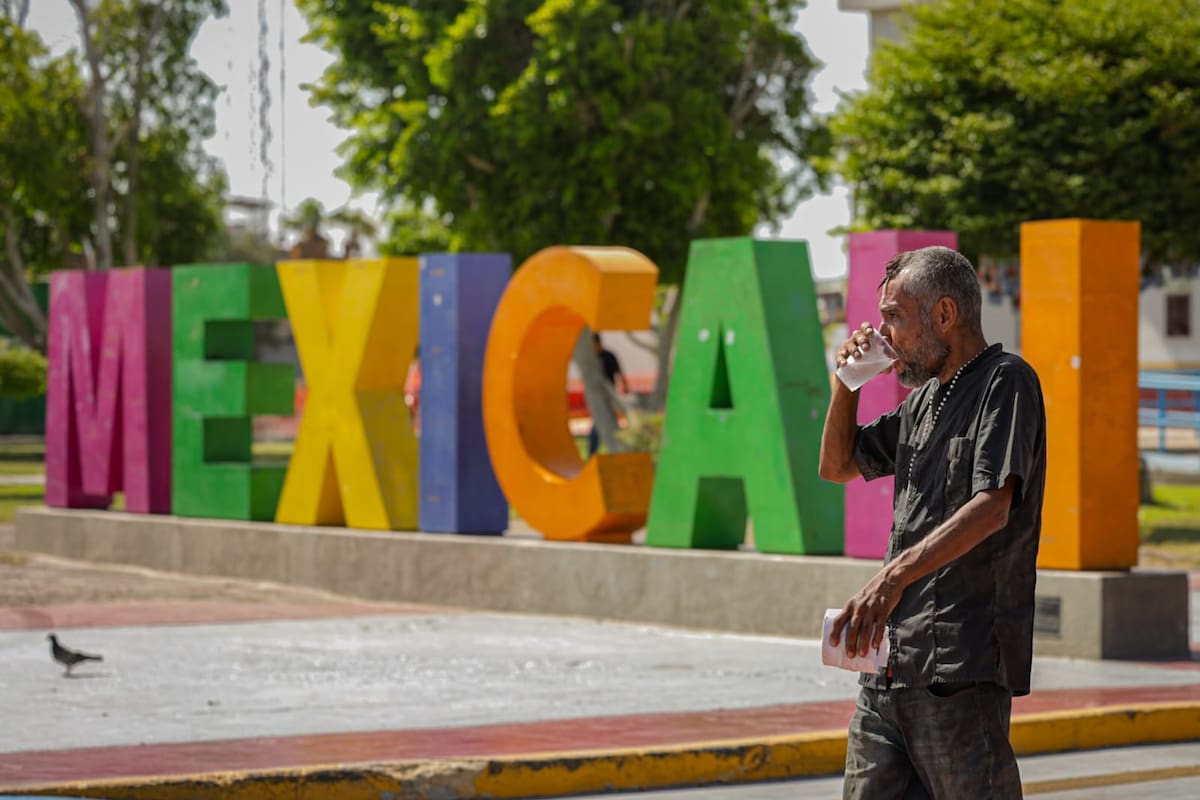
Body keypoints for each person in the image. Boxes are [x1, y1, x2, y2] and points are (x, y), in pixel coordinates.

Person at [817, 246, 1047, 799]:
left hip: (959, 673)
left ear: (944, 314)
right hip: (889, 669)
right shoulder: (922, 403)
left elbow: (992, 506)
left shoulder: (1005, 382)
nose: (884, 334)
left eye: (894, 315)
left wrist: (892, 577)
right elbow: (837, 465)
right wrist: (846, 386)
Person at [588, 333, 628, 456]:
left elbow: (619, 372)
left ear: (598, 343)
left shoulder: (609, 356)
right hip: (597, 395)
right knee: (603, 422)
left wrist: (625, 386)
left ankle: (595, 452)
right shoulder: (591, 358)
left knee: (604, 422)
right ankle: (596, 451)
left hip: (610, 395)